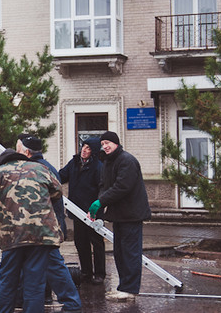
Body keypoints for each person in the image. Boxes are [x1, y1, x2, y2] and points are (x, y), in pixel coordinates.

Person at [0, 137, 78, 313]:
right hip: (42, 235)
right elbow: (57, 191)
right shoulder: (41, 169)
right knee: (35, 282)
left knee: (8, 279)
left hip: (13, 236)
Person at [16, 134, 83, 312]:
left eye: (18, 149)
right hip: (46, 226)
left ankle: (71, 303)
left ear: (27, 152)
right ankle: (26, 299)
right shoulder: (46, 167)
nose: (16, 152)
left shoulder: (37, 169)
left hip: (44, 228)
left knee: (53, 265)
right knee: (43, 264)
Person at [88, 130, 151, 302]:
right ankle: (124, 287)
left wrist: (101, 202)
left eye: (108, 143)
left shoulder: (127, 160)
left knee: (130, 253)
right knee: (120, 253)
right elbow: (104, 185)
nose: (105, 146)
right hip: (118, 215)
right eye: (102, 144)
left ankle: (130, 289)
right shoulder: (108, 162)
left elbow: (122, 187)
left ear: (116, 143)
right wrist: (98, 203)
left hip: (132, 214)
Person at [59, 136, 106, 285]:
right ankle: (86, 272)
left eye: (88, 148)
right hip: (77, 210)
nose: (84, 150)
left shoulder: (98, 167)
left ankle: (100, 274)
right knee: (81, 242)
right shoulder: (74, 163)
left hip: (92, 212)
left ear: (94, 152)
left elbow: (102, 189)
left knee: (97, 243)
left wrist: (97, 208)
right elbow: (61, 176)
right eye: (83, 147)